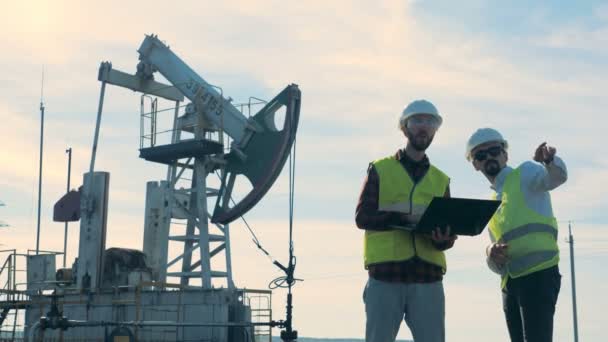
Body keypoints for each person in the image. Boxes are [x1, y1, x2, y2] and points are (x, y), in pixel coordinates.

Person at [356, 99, 457, 342]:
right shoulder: (380, 169)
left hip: (428, 278)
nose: (424, 127)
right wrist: (402, 218)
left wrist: (443, 240)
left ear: (435, 131)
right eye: (418, 121)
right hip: (385, 277)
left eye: (430, 123)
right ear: (405, 128)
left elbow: (447, 236)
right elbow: (362, 217)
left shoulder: (441, 180)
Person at [465, 128, 568, 342]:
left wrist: (549, 161)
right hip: (511, 283)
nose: (489, 157)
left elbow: (556, 178)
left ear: (505, 154)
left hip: (539, 275)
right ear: (475, 164)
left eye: (494, 150)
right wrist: (490, 253)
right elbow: (496, 257)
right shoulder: (493, 200)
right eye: (481, 155)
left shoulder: (527, 173)